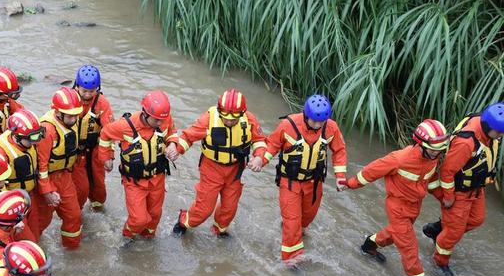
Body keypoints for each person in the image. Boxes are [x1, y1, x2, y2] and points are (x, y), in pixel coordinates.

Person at [347, 119, 450, 276]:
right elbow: (370, 171)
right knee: (409, 247)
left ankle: (369, 244)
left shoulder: (432, 159)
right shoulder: (399, 158)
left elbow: (432, 181)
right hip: (397, 208)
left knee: (396, 236)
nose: (439, 152)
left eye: (441, 147)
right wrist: (349, 184)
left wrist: (443, 198)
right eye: (435, 148)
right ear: (421, 144)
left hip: (414, 206)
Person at [254, 94, 347, 262]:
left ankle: (295, 232)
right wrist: (261, 160)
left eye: (321, 122)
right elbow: (273, 145)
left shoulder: (331, 127)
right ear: (305, 115)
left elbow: (339, 150)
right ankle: (291, 260)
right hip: (290, 181)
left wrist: (341, 176)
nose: (318, 125)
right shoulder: (287, 125)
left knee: (307, 218)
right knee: (292, 221)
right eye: (314, 121)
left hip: (314, 182)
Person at [422, 102, 504, 276]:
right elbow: (447, 171)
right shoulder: (466, 143)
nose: (500, 136)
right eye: (499, 133)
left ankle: (436, 230)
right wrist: (449, 197)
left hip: (475, 188)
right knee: (453, 233)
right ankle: (439, 261)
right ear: (488, 126)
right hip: (460, 191)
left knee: (477, 219)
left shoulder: (488, 129)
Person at [170, 89, 267, 237]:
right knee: (204, 209)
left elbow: (259, 141)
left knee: (230, 207)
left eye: (233, 119)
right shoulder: (208, 119)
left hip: (235, 170)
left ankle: (219, 230)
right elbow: (188, 136)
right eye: (225, 118)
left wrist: (259, 157)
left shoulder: (249, 120)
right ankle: (184, 221)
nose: (229, 121)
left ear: (241, 113)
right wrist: (176, 149)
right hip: (211, 168)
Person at [97, 90, 179, 239]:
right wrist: (106, 157)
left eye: (163, 119)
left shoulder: (164, 119)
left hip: (157, 178)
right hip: (134, 182)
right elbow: (105, 133)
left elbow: (172, 133)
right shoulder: (124, 126)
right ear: (145, 113)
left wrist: (173, 144)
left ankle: (147, 241)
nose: (160, 123)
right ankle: (127, 237)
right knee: (139, 219)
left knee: (154, 216)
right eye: (156, 120)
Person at [35, 87, 84, 249]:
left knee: (74, 215)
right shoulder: (47, 130)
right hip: (47, 179)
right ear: (57, 113)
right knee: (42, 220)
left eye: (76, 114)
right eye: (70, 116)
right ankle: (34, 251)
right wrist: (46, 191)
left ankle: (72, 248)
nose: (74, 118)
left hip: (64, 176)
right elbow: (41, 165)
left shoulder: (72, 120)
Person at [0, 109, 42, 241]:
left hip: (29, 195)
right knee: (27, 239)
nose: (36, 141)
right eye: (33, 138)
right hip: (12, 203)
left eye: (39, 135)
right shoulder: (0, 151)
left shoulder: (27, 141)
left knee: (36, 231)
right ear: (17, 136)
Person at [72, 65, 115, 211]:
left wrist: (109, 156)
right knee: (81, 188)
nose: (88, 95)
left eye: (92, 91)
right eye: (84, 91)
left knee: (99, 189)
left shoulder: (102, 103)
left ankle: (97, 210)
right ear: (77, 86)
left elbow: (109, 131)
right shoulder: (67, 100)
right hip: (74, 152)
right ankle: (76, 212)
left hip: (95, 151)